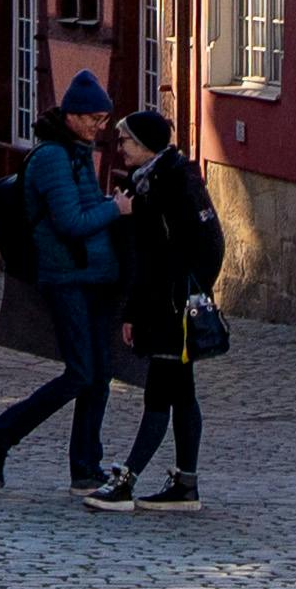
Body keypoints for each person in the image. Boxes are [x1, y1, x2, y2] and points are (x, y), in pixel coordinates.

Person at [0, 77, 127, 497]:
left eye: (105, 119)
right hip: (65, 280)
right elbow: (72, 223)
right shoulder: (52, 159)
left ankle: (85, 468)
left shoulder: (77, 153)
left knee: (98, 376)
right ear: (73, 116)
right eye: (95, 119)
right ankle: (0, 435)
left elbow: (84, 209)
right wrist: (115, 209)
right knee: (80, 372)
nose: (101, 126)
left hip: (91, 278)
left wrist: (108, 206)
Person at [99, 101, 223, 512]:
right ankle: (186, 485)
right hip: (164, 303)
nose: (120, 147)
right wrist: (134, 311)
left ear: (149, 145)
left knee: (159, 394)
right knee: (182, 394)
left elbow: (177, 247)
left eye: (127, 140)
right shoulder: (157, 178)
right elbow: (148, 256)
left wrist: (185, 293)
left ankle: (126, 481)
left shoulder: (170, 182)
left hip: (171, 307)